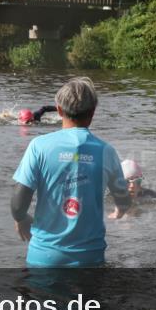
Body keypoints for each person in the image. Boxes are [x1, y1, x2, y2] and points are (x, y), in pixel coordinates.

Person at [11, 77, 131, 267]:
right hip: (89, 259)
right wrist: (119, 210)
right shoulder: (106, 151)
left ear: (59, 110)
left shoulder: (39, 146)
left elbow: (18, 203)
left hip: (43, 259)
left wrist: (21, 218)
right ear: (93, 112)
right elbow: (123, 199)